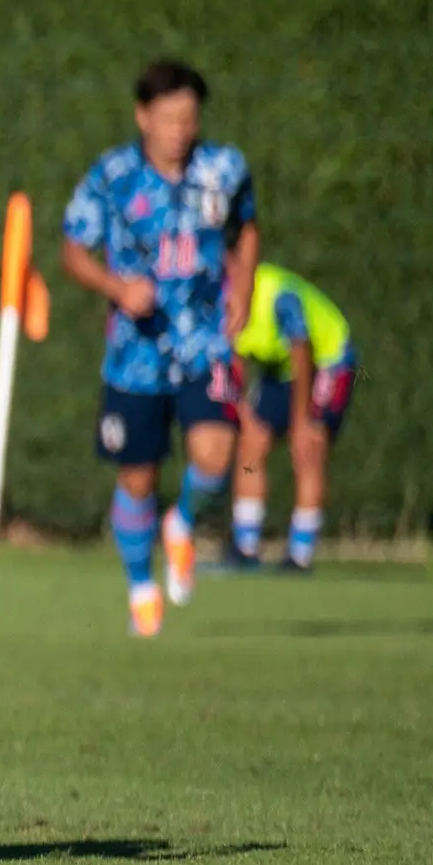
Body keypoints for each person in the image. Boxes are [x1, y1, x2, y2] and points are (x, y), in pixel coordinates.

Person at [58, 62, 256, 637]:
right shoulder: (112, 177)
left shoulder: (225, 169)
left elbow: (246, 228)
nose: (179, 129)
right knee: (136, 479)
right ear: (143, 116)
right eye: (168, 117)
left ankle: (184, 522)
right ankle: (142, 586)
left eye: (188, 117)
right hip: (134, 354)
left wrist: (242, 283)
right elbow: (73, 250)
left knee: (217, 455)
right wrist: (118, 288)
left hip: (206, 341)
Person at [229, 259, 352, 572]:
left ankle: (300, 554)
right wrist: (241, 410)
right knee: (250, 446)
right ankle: (246, 548)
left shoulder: (279, 296)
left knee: (308, 449)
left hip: (326, 361)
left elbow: (302, 353)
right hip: (277, 368)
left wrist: (302, 422)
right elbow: (229, 360)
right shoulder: (215, 299)